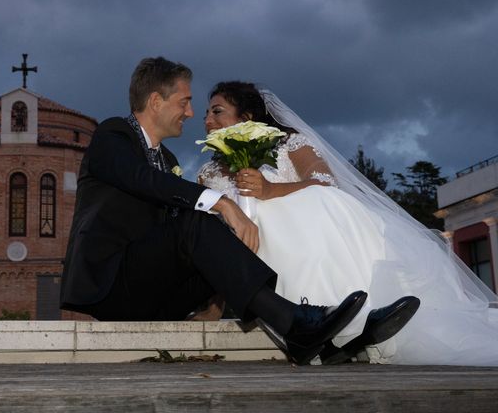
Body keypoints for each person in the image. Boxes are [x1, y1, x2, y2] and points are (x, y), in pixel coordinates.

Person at [60, 57, 377, 365]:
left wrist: (212, 302)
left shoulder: (169, 159)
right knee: (199, 220)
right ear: (156, 101)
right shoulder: (113, 135)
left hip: (156, 293)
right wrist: (221, 202)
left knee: (217, 231)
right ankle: (295, 323)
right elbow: (141, 179)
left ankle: (328, 339)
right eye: (184, 102)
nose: (191, 112)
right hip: (111, 286)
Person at [199, 81, 498, 366]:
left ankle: (347, 317)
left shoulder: (289, 143)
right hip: (251, 250)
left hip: (310, 226)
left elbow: (325, 180)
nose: (207, 119)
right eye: (205, 113)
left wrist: (270, 191)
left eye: (217, 110)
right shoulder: (207, 173)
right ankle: (334, 324)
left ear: (248, 117)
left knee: (319, 200)